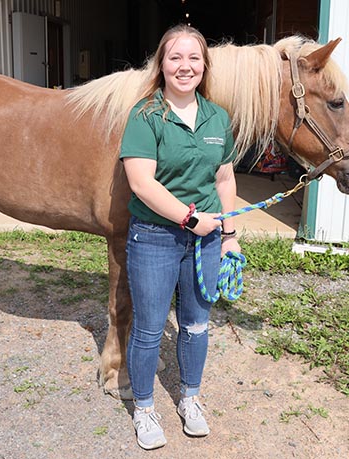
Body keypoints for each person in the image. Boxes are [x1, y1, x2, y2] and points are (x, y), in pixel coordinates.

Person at [119, 24, 241, 450]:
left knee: (195, 325)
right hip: (155, 236)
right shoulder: (145, 115)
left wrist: (229, 235)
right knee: (150, 329)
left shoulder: (217, 118)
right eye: (175, 58)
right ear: (162, 65)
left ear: (204, 66)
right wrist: (190, 219)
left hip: (207, 240)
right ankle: (145, 408)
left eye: (193, 58)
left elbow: (224, 179)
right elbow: (141, 184)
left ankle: (190, 399)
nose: (184, 66)